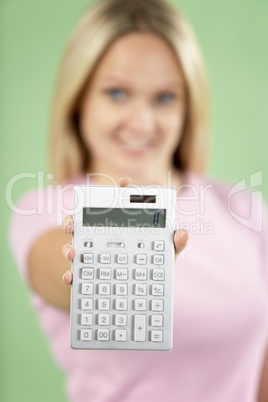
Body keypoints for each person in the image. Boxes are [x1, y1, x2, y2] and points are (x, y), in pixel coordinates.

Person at [9, 0, 268, 401]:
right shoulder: (44, 207)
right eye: (116, 93)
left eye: (165, 97)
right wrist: (104, 257)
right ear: (79, 100)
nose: (142, 122)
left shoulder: (241, 208)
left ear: (188, 106)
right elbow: (56, 268)